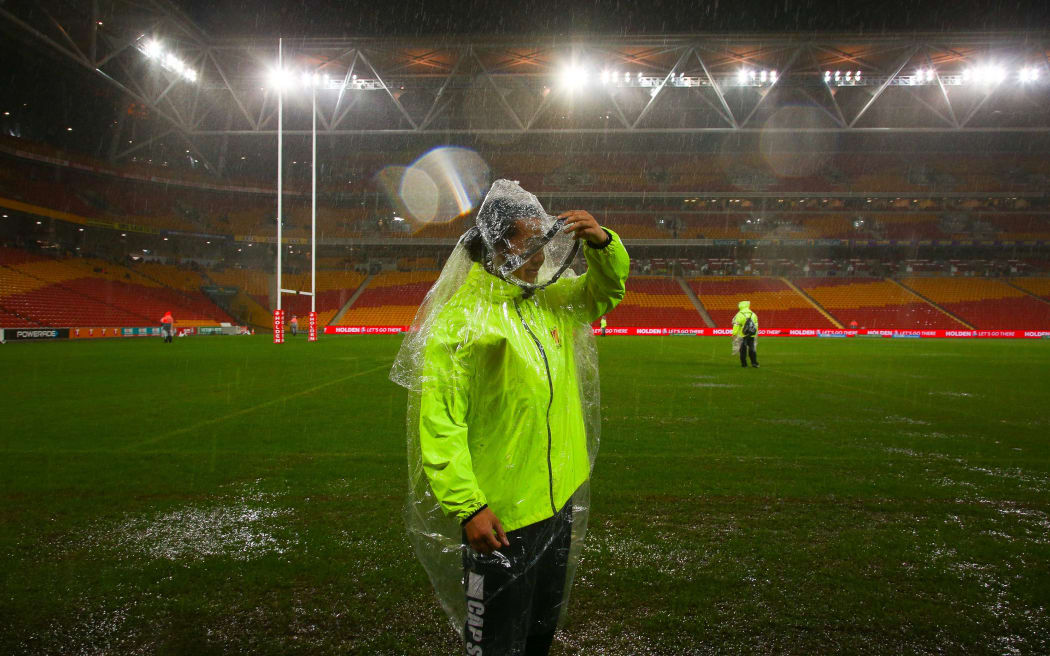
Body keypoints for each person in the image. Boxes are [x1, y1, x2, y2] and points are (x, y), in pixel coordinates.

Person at [390, 180, 629, 656]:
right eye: (529, 244)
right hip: (500, 519)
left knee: (540, 633)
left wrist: (604, 245)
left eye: (543, 243)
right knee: (496, 643)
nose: (541, 257)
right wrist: (468, 507)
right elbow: (440, 423)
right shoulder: (461, 321)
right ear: (496, 245)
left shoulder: (547, 298)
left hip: (558, 504)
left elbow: (604, 295)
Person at [732, 300, 758, 368]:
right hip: (751, 335)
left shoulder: (739, 314)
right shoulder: (753, 314)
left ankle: (744, 364)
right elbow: (756, 325)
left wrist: (734, 333)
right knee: (752, 349)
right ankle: (754, 363)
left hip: (742, 335)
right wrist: (754, 334)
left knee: (743, 350)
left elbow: (736, 325)